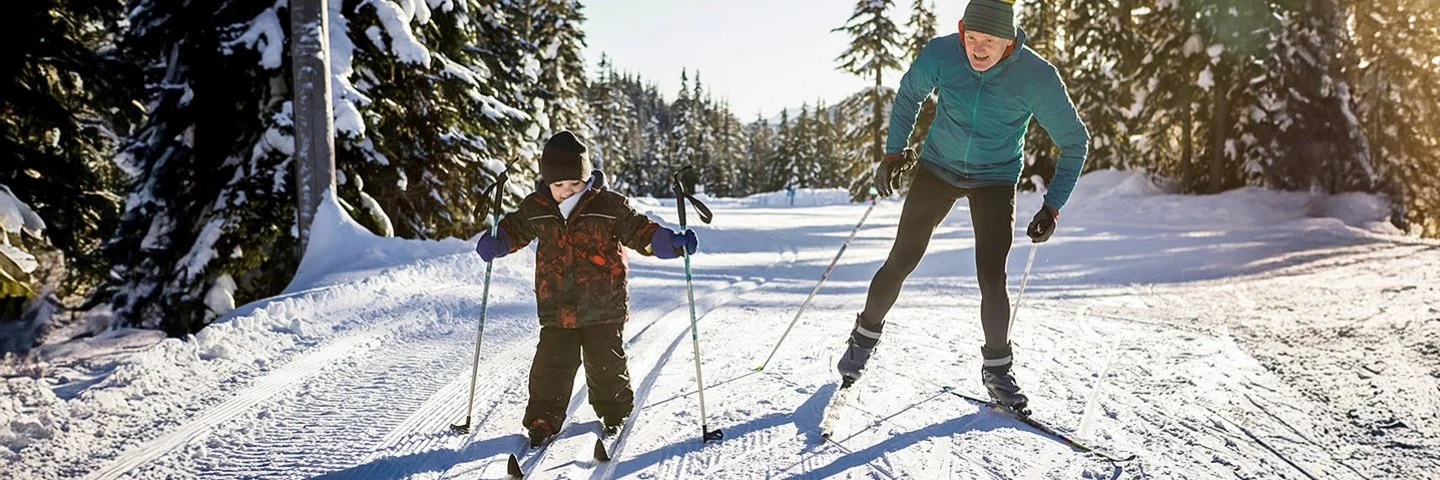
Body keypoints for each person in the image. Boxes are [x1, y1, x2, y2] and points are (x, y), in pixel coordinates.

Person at [836, 0, 1089, 415]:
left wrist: (1052, 206)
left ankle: (998, 372)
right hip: (938, 167)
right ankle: (862, 341)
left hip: (995, 178)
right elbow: (910, 93)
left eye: (989, 40)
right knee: (902, 259)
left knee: (992, 276)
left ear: (1009, 40)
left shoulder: (1037, 77)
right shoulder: (942, 54)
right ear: (961, 31)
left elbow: (1075, 142)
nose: (978, 48)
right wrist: (893, 153)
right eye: (971, 37)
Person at [475, 130, 699, 445]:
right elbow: (515, 228)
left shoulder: (608, 205)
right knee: (550, 365)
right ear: (547, 182)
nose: (567, 191)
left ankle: (615, 412)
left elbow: (639, 231)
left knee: (606, 365)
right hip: (556, 306)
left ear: (587, 178)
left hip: (603, 305)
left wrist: (669, 243)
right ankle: (543, 416)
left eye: (574, 184)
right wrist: (498, 241)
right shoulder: (537, 206)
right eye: (559, 185)